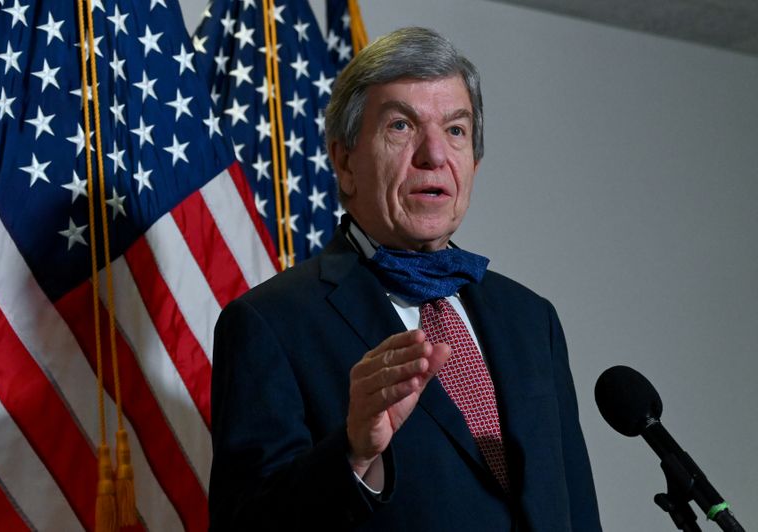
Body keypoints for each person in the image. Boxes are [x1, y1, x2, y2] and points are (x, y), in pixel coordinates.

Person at [209, 27, 601, 531]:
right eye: (401, 126)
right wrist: (351, 454)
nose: (434, 154)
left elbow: (577, 510)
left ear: (474, 163)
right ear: (345, 161)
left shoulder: (532, 319)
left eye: (456, 130)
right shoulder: (270, 324)